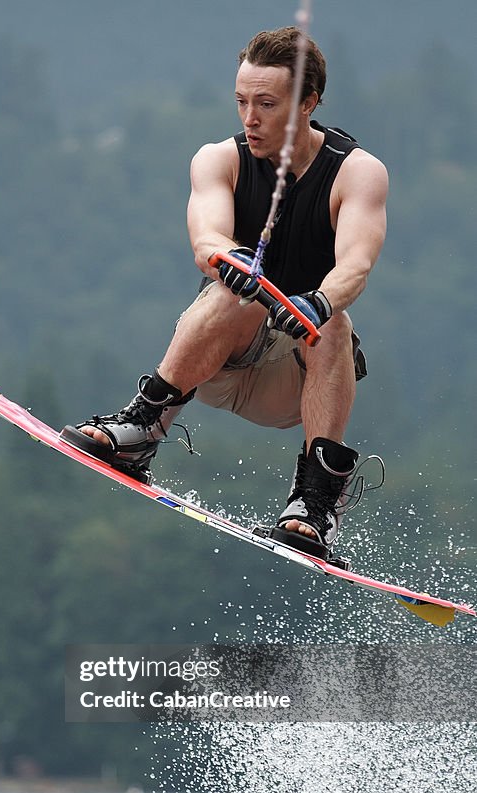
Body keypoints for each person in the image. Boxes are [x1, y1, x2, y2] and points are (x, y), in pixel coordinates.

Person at [61, 27, 388, 560]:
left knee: (335, 324)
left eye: (266, 103)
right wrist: (227, 259)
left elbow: (356, 264)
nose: (250, 118)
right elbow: (206, 236)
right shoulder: (219, 159)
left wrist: (319, 301)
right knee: (231, 294)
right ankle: (142, 429)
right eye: (241, 102)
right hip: (218, 362)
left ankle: (313, 502)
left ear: (308, 102)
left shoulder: (358, 173)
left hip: (295, 383)